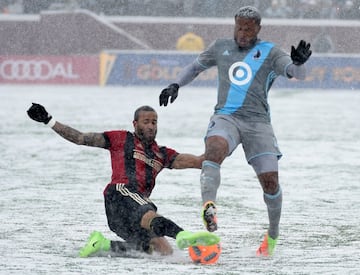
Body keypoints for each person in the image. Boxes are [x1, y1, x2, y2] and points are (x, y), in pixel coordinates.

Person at [159, 6, 312, 257]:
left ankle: (272, 235)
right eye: (239, 27)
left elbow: (298, 75)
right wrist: (175, 84)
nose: (242, 33)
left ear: (258, 29)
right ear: (234, 25)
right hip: (226, 117)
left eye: (248, 29)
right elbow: (194, 67)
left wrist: (299, 63)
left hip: (258, 123)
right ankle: (209, 207)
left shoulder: (270, 52)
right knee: (214, 149)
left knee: (271, 183)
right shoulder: (220, 47)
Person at [27, 103, 220, 257]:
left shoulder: (162, 154)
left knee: (162, 252)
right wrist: (49, 121)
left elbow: (200, 162)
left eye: (154, 122)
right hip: (120, 194)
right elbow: (80, 138)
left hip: (124, 217)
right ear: (135, 124)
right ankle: (182, 234)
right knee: (148, 212)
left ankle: (102, 244)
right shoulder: (120, 138)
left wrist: (223, 142)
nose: (151, 126)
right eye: (146, 122)